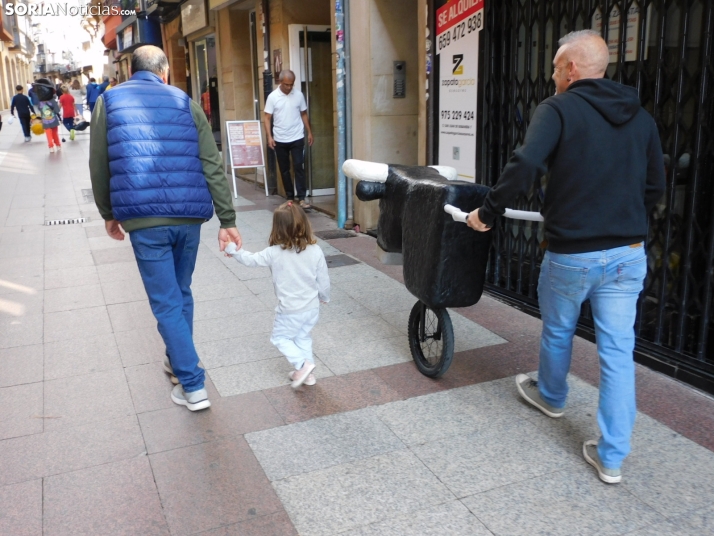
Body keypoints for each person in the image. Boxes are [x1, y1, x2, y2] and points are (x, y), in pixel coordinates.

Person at [466, 30, 665, 484]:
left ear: (571, 69)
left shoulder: (557, 109)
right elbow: (655, 186)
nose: (553, 75)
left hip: (573, 253)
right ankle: (612, 456)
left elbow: (526, 164)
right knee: (617, 351)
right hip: (627, 255)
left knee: (559, 328)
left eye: (556, 67)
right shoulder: (643, 119)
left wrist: (489, 210)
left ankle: (553, 396)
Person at [89, 45, 241, 412]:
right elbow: (211, 163)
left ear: (130, 70)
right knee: (181, 292)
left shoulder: (108, 102)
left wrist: (108, 212)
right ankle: (177, 362)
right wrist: (228, 219)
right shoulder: (184, 101)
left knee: (166, 301)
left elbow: (99, 163)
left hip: (144, 219)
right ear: (165, 71)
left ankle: (192, 385)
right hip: (188, 219)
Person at [224, 201, 330, 388]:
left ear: (277, 229)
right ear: (304, 224)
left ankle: (302, 366)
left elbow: (250, 260)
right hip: (312, 308)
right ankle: (308, 375)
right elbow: (323, 278)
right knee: (302, 337)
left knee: (280, 338)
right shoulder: (316, 250)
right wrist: (324, 296)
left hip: (290, 310)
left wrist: (233, 250)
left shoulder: (273, 253)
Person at [263, 69, 314, 209]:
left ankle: (302, 198)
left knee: (299, 166)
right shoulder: (273, 97)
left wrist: (309, 132)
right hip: (280, 138)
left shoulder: (298, 95)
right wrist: (269, 137)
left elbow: (303, 114)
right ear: (280, 82)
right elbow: (267, 118)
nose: (289, 87)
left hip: (297, 136)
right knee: (284, 169)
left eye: (291, 84)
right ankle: (290, 197)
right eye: (286, 84)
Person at [35, 78, 62, 153]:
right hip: (53, 120)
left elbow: (40, 109)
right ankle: (58, 145)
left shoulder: (40, 102)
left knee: (48, 134)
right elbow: (57, 111)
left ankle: (51, 147)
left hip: (45, 121)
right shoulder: (52, 101)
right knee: (55, 133)